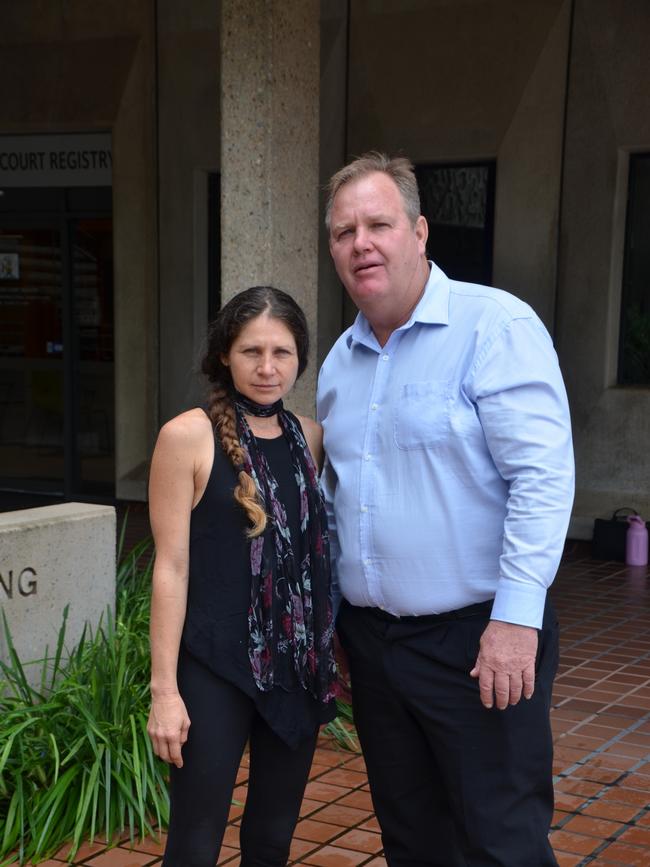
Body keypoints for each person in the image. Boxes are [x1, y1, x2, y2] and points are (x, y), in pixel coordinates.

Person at [317, 153, 575, 867]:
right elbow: (344, 498)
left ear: (420, 231)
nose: (361, 243)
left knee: (501, 841)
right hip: (374, 648)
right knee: (411, 839)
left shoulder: (493, 326)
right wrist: (338, 617)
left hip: (478, 641)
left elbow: (543, 478)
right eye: (344, 232)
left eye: (379, 224)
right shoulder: (340, 362)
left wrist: (517, 619)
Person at [147, 286, 337, 867]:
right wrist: (164, 691)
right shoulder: (188, 436)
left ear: (300, 359)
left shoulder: (312, 436)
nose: (267, 367)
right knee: (195, 844)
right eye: (251, 350)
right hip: (213, 667)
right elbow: (171, 568)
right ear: (225, 355)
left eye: (282, 352)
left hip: (293, 667)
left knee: (272, 839)